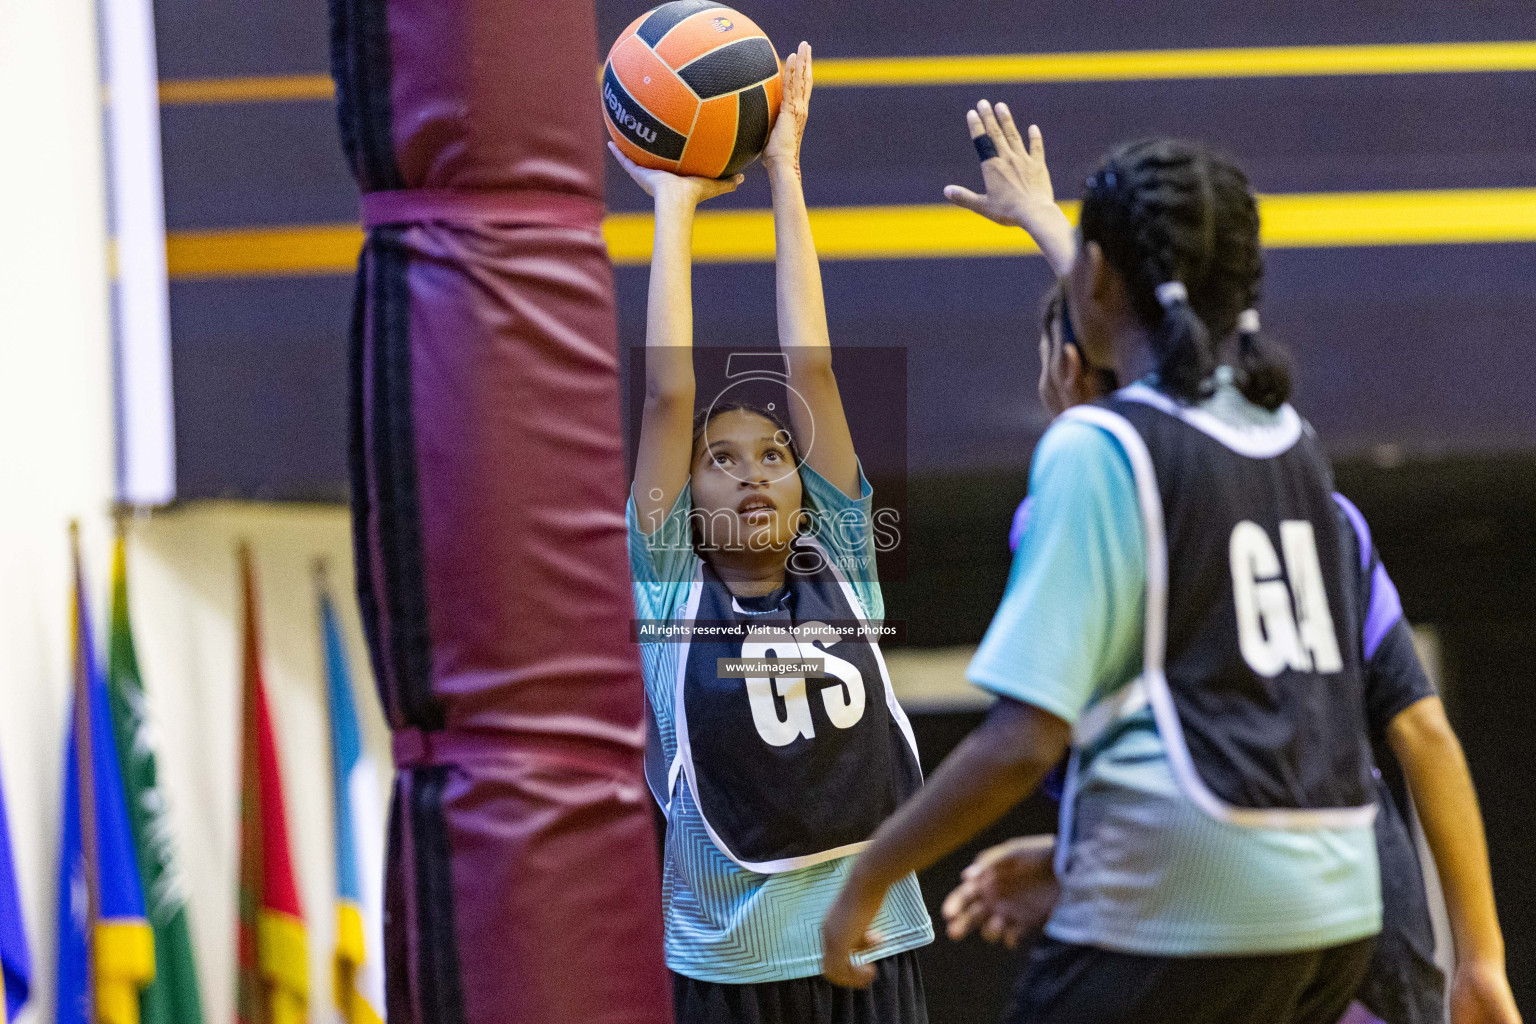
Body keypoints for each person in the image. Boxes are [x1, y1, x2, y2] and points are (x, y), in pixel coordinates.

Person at [944, 104, 1520, 1024]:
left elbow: (1028, 747)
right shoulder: (1307, 494)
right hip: (1355, 894)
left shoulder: (1082, 500)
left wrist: (869, 878)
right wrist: (1482, 960)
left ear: (1065, 369)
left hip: (1217, 910)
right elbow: (1425, 734)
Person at [824, 105, 1395, 1024]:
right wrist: (1054, 227)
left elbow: (1022, 743)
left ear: (1098, 273)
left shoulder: (1096, 447)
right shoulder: (1289, 442)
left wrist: (869, 875)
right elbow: (1158, 362)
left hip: (1191, 894)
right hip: (1335, 908)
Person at [612, 43, 933, 1024]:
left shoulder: (844, 563)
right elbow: (671, 392)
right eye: (723, 458)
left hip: (876, 945)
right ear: (689, 500)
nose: (752, 471)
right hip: (731, 969)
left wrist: (786, 170)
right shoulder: (669, 590)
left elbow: (814, 369)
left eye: (772, 455)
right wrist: (674, 204)